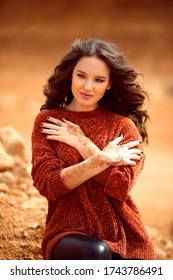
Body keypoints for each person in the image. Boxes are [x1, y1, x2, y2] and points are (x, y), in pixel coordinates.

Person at [31, 38, 156, 260]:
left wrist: (83, 144)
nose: (88, 87)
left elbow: (120, 186)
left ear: (109, 84)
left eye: (98, 80)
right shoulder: (48, 121)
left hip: (124, 234)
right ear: (71, 74)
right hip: (67, 233)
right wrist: (104, 159)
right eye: (81, 76)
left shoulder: (123, 126)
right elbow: (49, 185)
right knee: (95, 252)